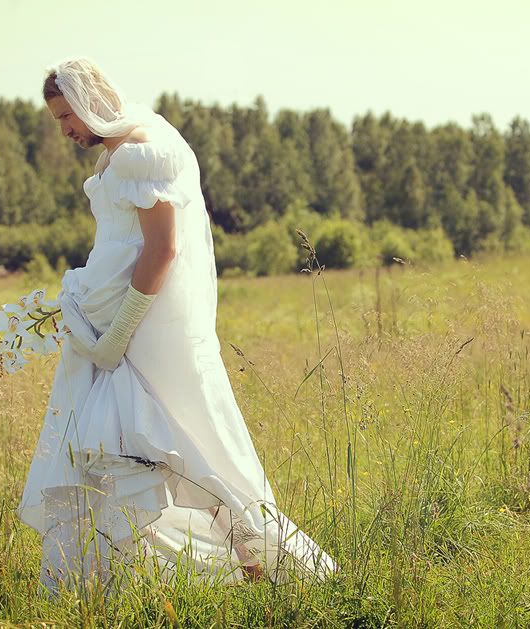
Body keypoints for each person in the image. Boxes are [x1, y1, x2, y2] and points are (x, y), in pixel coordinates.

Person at [17, 56, 338, 595]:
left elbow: (163, 248)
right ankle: (113, 581)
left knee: (194, 445)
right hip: (116, 335)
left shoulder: (145, 153)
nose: (66, 129)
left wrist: (120, 331)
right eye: (57, 120)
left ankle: (268, 565)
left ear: (92, 101)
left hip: (148, 335)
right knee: (119, 451)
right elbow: (121, 246)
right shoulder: (118, 156)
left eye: (67, 115)